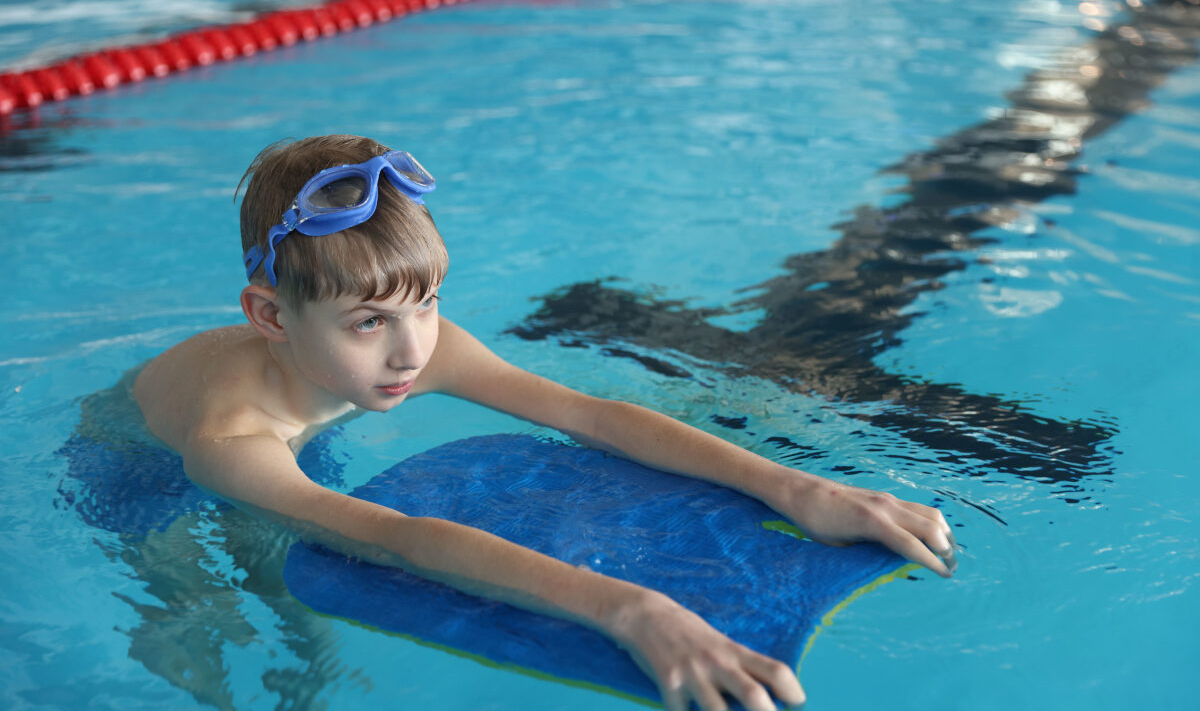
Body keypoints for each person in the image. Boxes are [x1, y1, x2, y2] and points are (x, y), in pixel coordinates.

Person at [131, 134, 956, 711]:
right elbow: (398, 538)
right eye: (369, 322)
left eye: (428, 303)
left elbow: (591, 415)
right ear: (271, 317)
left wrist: (794, 486)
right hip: (144, 482)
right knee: (239, 621)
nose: (413, 351)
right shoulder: (230, 443)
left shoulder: (405, 348)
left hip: (304, 413)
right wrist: (637, 611)